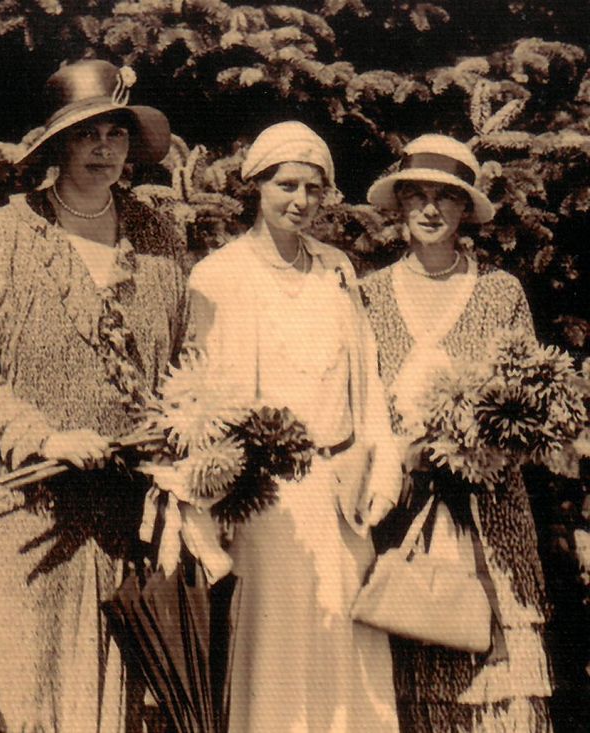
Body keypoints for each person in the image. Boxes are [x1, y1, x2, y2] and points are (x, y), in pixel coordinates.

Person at [0, 59, 190, 732]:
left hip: (122, 511)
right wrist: (44, 436)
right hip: (25, 507)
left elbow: (186, 359)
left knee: (112, 692)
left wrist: (177, 428)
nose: (104, 149)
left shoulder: (158, 239)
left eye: (117, 134)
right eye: (88, 135)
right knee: (24, 690)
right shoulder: (8, 235)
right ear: (58, 145)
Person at [187, 122, 401, 732]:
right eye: (287, 185)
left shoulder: (337, 271)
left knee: (348, 656)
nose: (300, 201)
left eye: (314, 188)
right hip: (267, 503)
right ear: (256, 185)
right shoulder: (219, 276)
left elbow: (369, 384)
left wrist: (377, 464)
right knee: (277, 652)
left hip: (343, 493)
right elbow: (201, 403)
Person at [359, 134, 553, 732]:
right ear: (398, 206)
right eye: (416, 195)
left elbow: (527, 405)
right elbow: (357, 403)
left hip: (490, 516)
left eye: (446, 197)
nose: (429, 210)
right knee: (414, 669)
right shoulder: (367, 296)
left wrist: (479, 447)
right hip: (404, 517)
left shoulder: (501, 293)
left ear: (466, 209)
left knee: (499, 687)